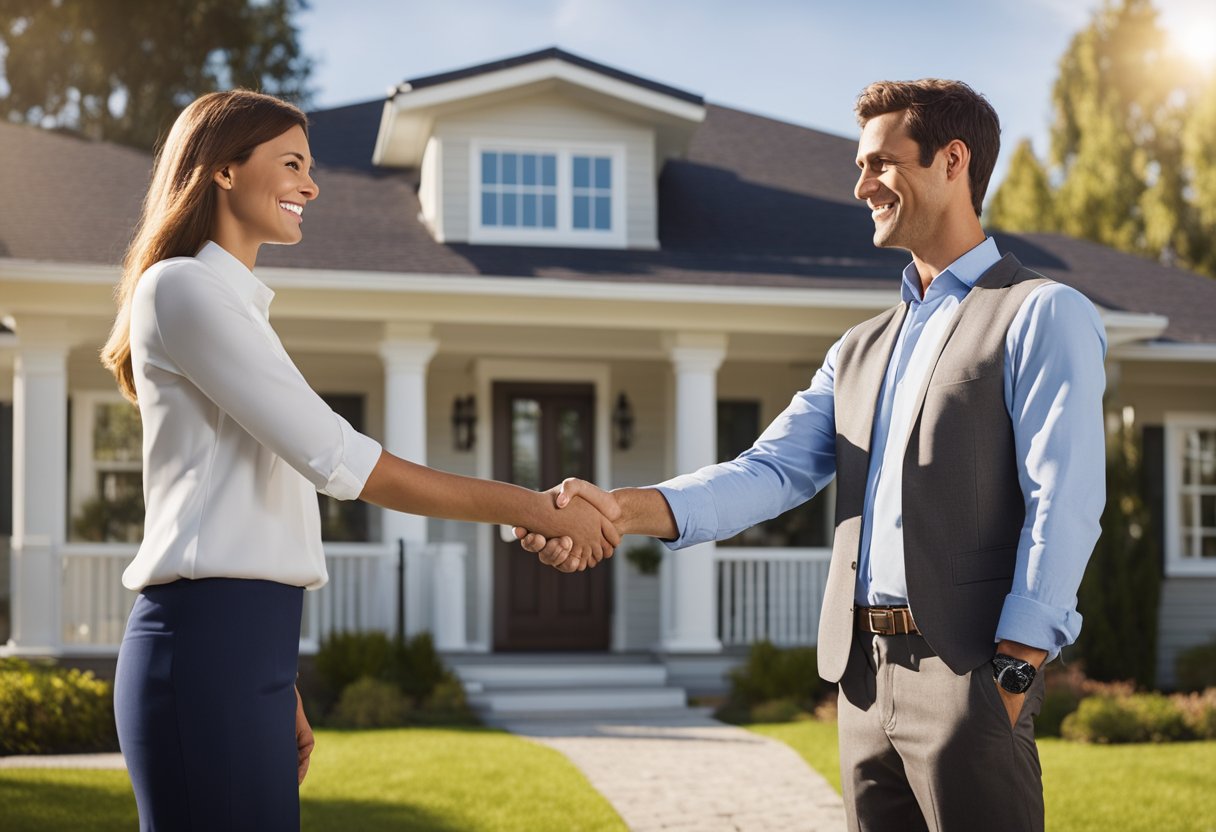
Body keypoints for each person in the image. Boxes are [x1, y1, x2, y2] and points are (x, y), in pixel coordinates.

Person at [516, 79, 1107, 831]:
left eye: (881, 164)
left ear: (953, 161)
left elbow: (1066, 496)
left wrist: (1015, 671)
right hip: (861, 679)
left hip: (967, 674)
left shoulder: (1040, 313)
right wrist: (622, 511)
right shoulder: (858, 349)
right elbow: (769, 471)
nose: (861, 186)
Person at [101, 89, 616, 832]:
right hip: (207, 643)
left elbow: (257, 509)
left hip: (247, 648)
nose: (310, 186)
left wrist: (282, 685)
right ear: (220, 169)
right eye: (290, 164)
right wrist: (529, 508)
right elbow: (340, 460)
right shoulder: (181, 287)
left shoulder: (235, 305)